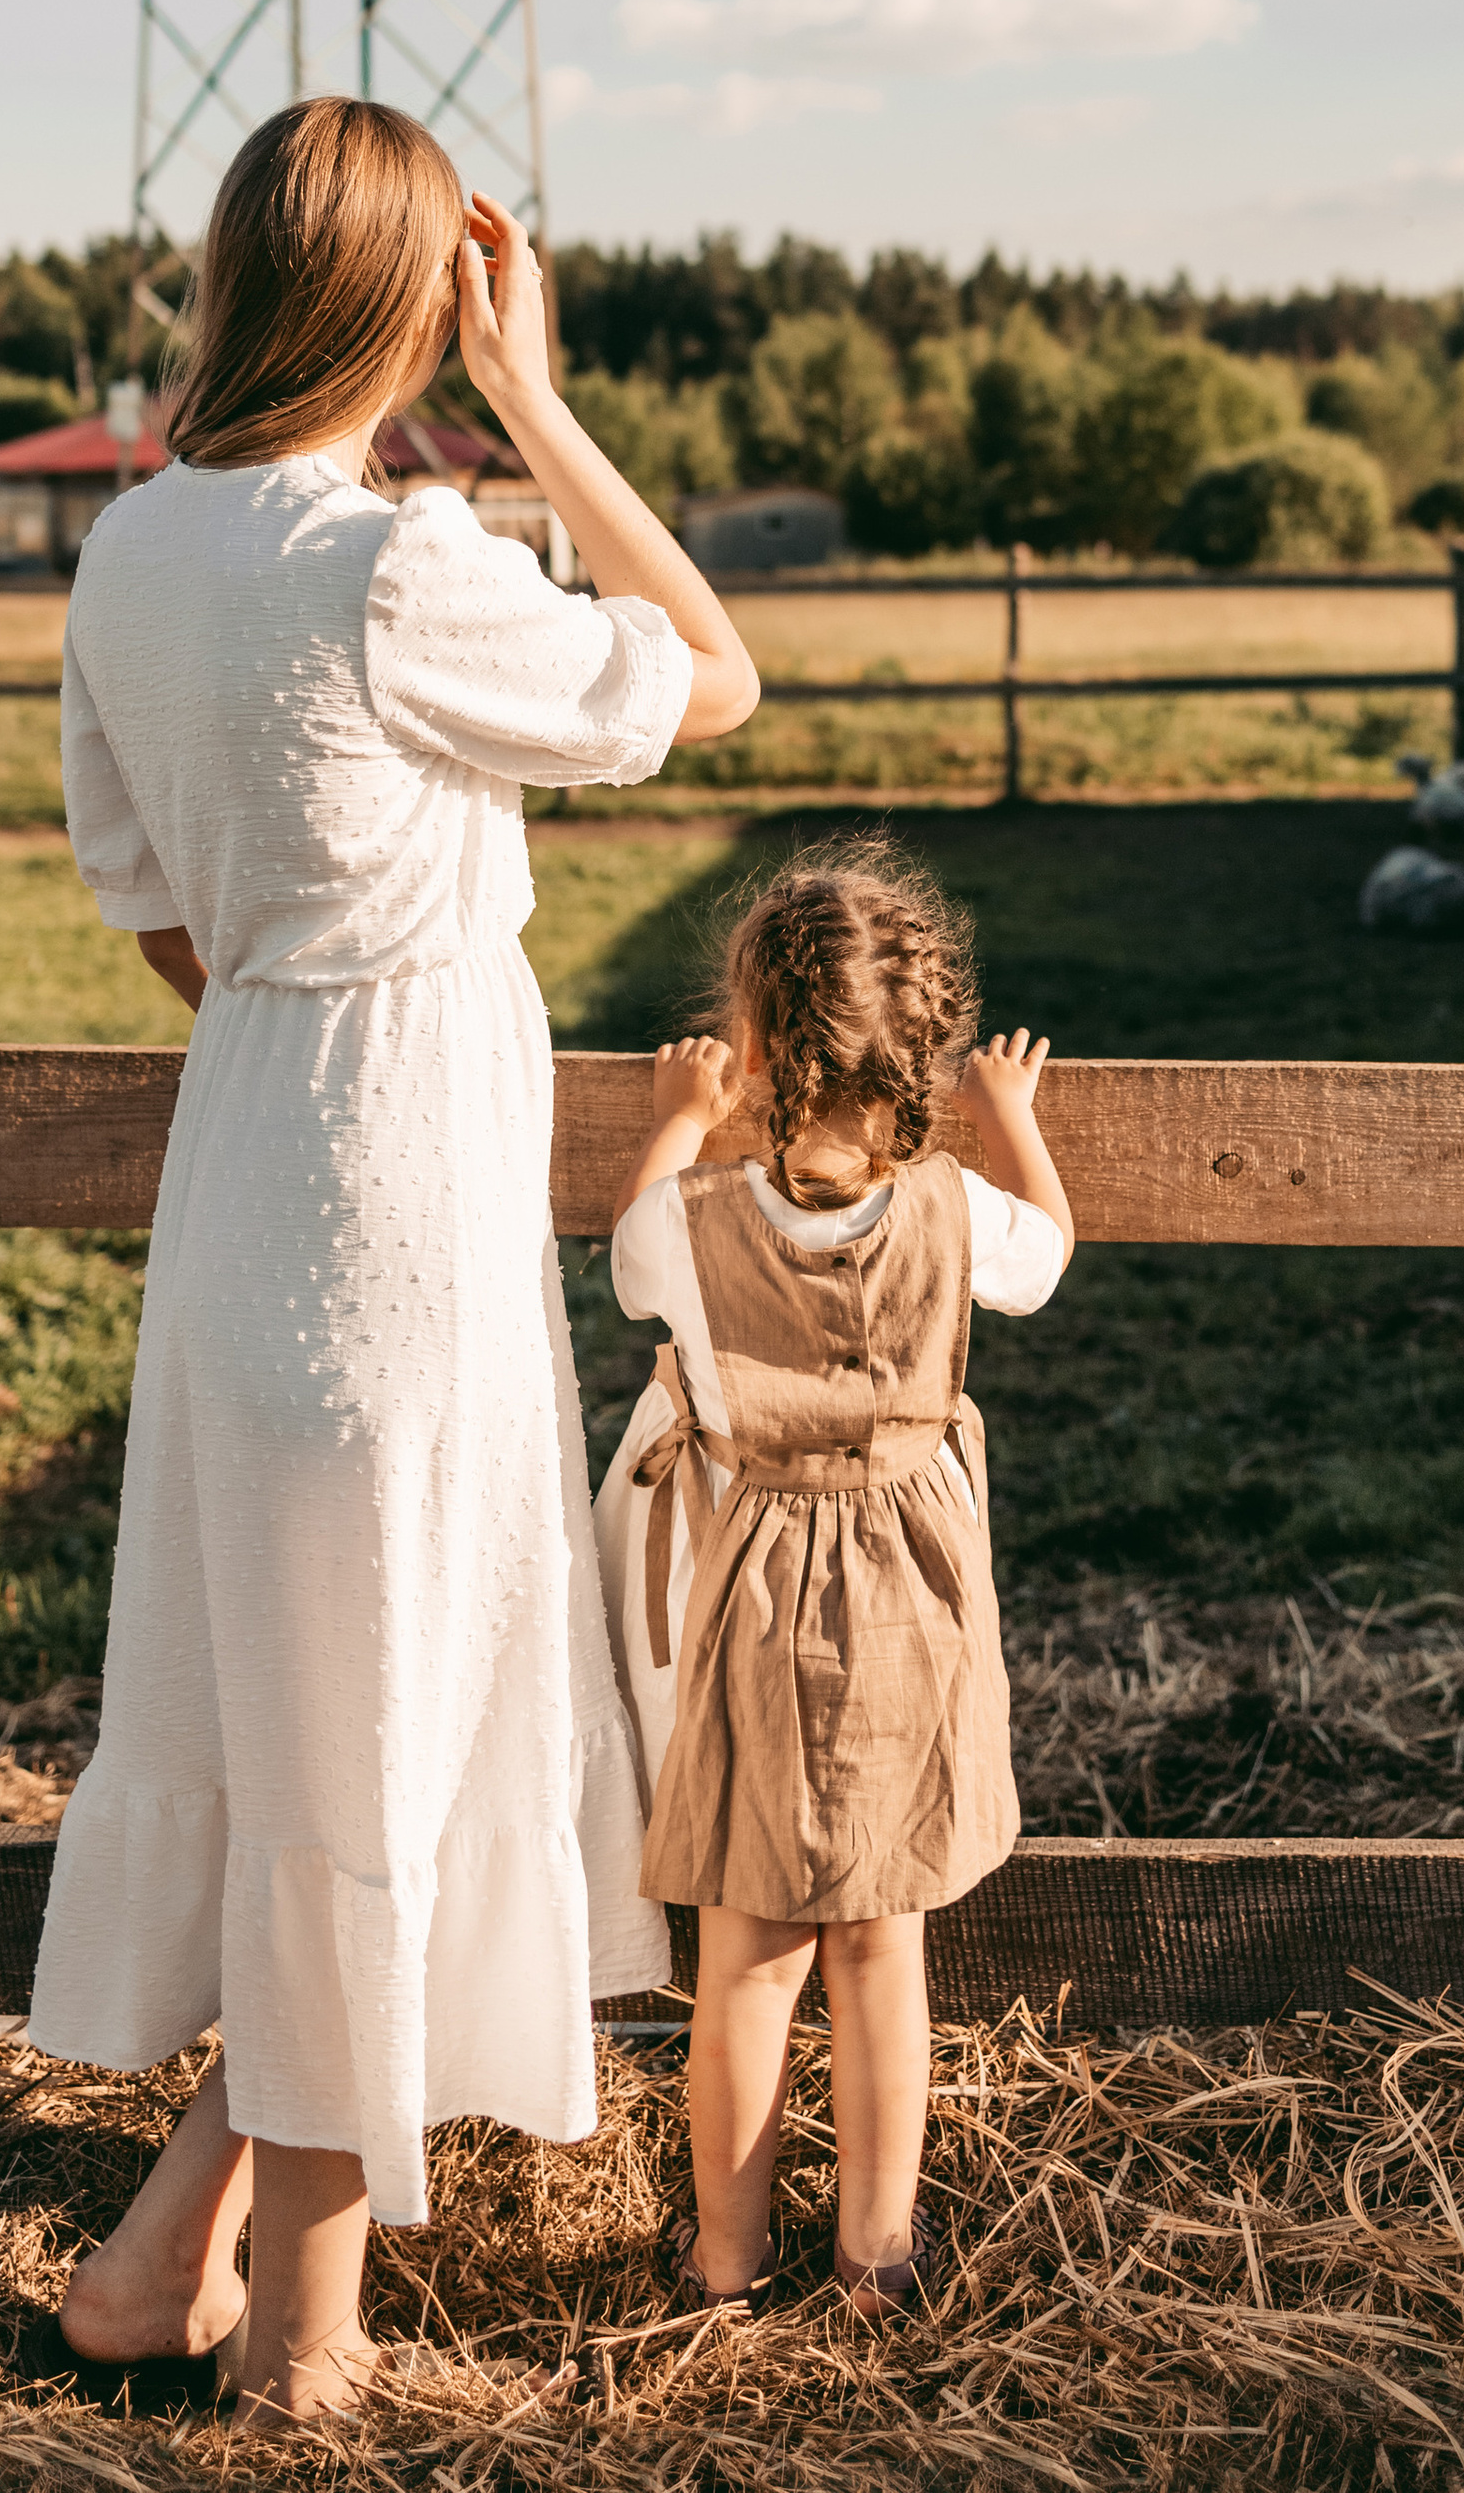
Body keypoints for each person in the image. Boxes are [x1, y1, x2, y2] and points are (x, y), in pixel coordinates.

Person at [20, 97, 759, 2433]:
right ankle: (313, 2360)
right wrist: (535, 404)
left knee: (319, 1723)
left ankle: (160, 2274)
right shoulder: (396, 564)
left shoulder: (130, 555)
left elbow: (152, 910)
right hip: (398, 1190)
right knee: (376, 1734)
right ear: (416, 296)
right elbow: (707, 675)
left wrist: (302, 966)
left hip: (249, 1147)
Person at [591, 842, 1071, 2317]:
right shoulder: (954, 1209)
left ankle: (721, 2269)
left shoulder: (694, 1223)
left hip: (745, 1587)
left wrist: (679, 1125)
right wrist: (1011, 1121)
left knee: (741, 1959)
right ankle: (878, 2263)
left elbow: (622, 1270)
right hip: (909, 1587)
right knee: (881, 1945)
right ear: (920, 1048)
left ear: (746, 1050)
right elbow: (1044, 1259)